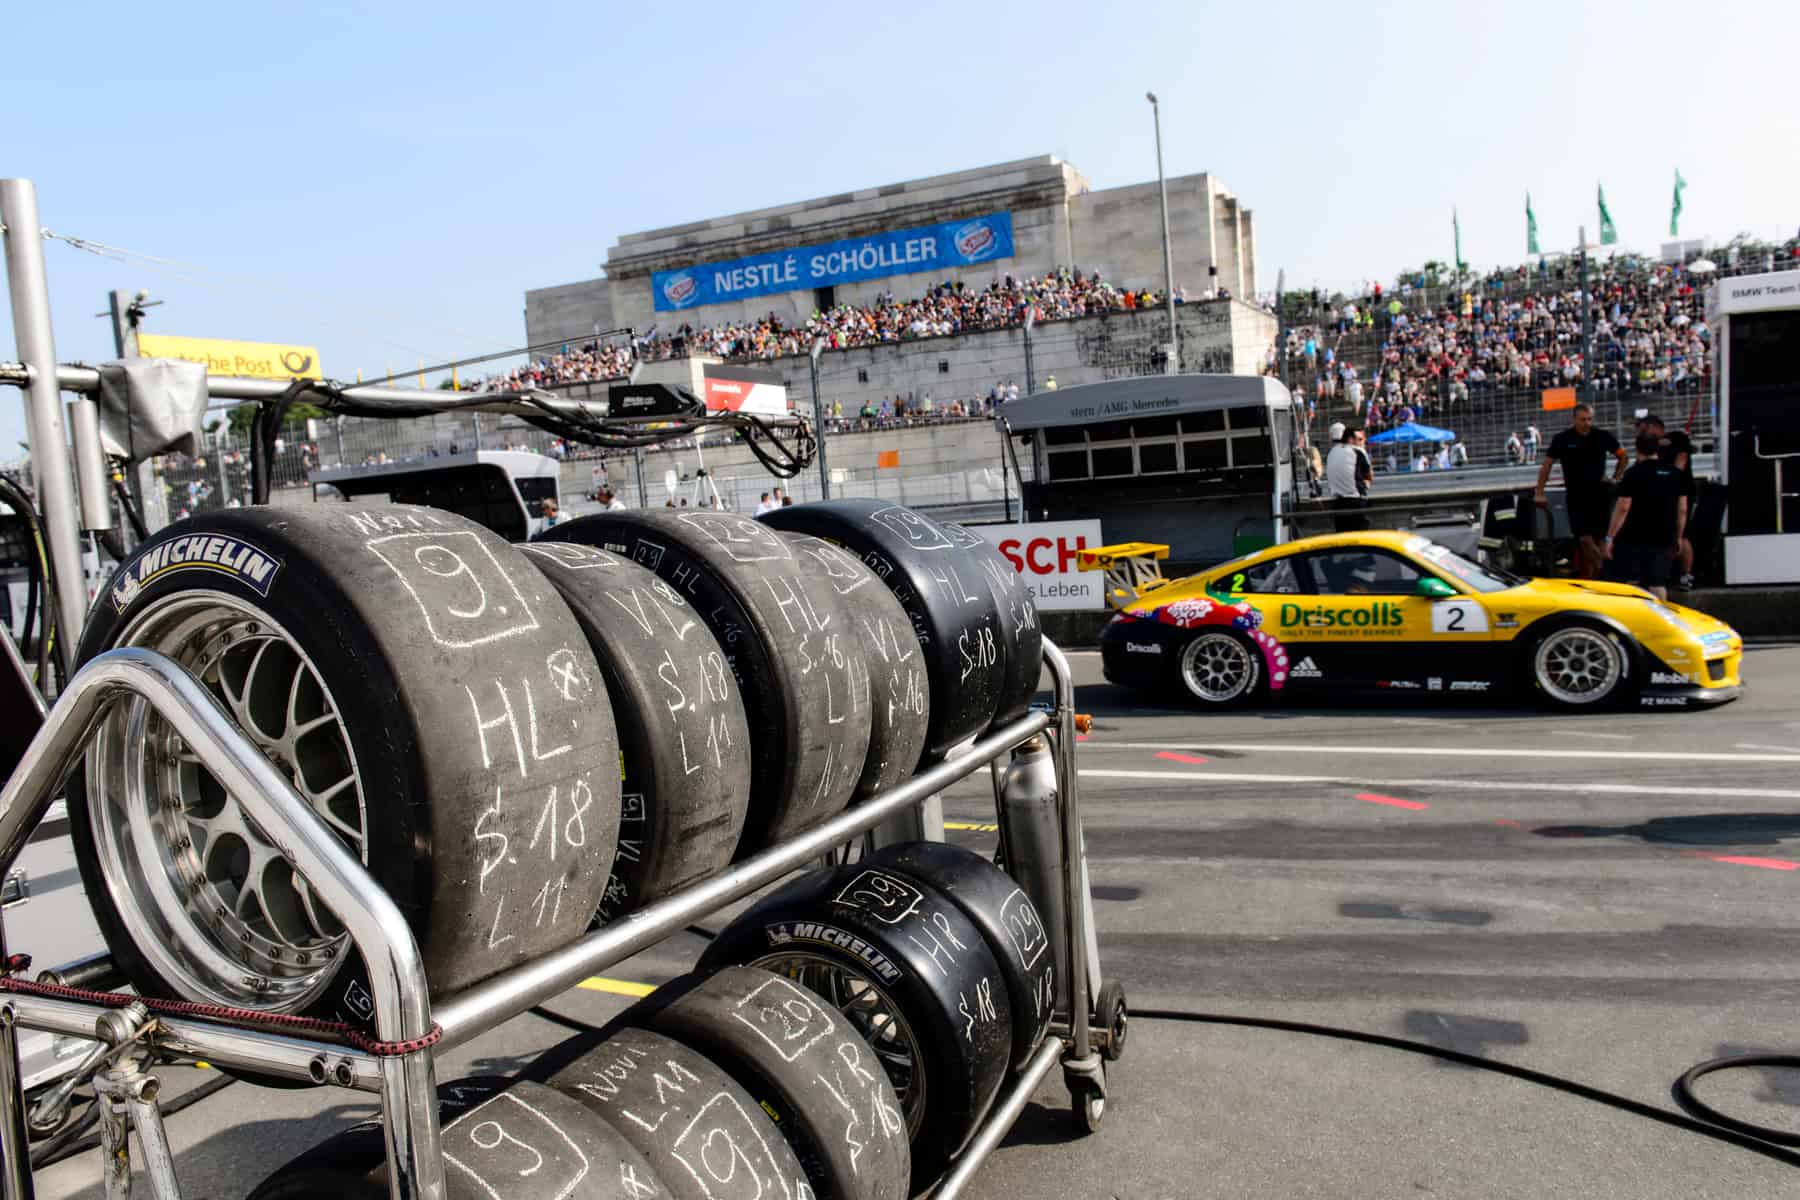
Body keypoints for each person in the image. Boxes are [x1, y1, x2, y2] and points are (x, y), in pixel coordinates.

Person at [1536, 403, 1626, 579]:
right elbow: (1547, 465)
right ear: (1574, 419)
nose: (1587, 423)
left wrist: (1615, 477)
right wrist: (1540, 490)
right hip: (1576, 495)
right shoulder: (1562, 439)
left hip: (1600, 494)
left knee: (1599, 539)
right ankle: (1604, 572)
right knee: (1584, 539)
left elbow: (1623, 456)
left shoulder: (1602, 436)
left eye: (1590, 419)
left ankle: (1597, 580)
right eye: (1583, 419)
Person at [1603, 432, 1687, 600]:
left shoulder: (1633, 473)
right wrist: (1678, 536)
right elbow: (1682, 510)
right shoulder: (1675, 474)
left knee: (1633, 582)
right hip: (1665, 535)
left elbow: (1623, 507)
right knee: (1657, 583)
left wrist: (1610, 537)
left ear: (1637, 449)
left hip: (1635, 536)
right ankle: (1662, 619)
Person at [1640, 414, 1698, 590]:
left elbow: (1680, 464)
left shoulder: (1677, 439)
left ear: (1655, 427)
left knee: (1683, 533)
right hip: (1658, 496)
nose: (1642, 434)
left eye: (1644, 430)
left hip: (1680, 493)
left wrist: (1664, 477)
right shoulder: (1648, 447)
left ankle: (1686, 575)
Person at [1325, 426, 1370, 531]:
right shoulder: (1357, 451)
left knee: (1342, 537)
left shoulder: (1331, 454)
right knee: (1360, 537)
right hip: (1355, 501)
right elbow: (1368, 475)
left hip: (1337, 503)